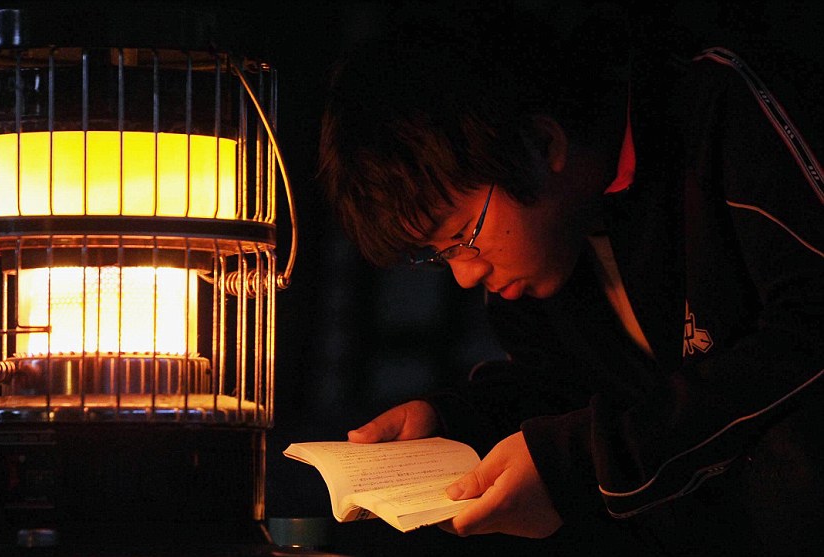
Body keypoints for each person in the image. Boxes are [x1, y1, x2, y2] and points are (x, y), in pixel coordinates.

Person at [316, 3, 823, 555]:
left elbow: (808, 333)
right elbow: (566, 393)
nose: (465, 275)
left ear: (543, 145)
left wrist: (580, 460)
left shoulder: (713, 108)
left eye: (462, 235)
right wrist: (450, 427)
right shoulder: (541, 261)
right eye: (439, 256)